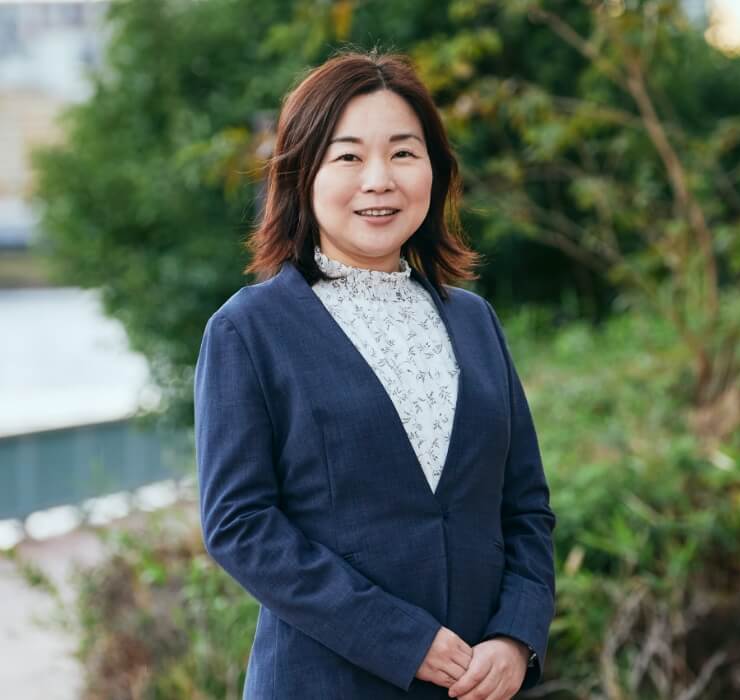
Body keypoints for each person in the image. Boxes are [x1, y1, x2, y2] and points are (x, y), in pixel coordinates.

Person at [194, 49, 555, 700]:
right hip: (322, 683)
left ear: (435, 170)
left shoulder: (474, 321)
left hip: (480, 685)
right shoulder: (248, 330)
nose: (379, 180)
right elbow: (240, 525)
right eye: (349, 157)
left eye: (404, 153)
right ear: (302, 172)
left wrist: (516, 636)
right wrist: (403, 639)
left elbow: (525, 506)